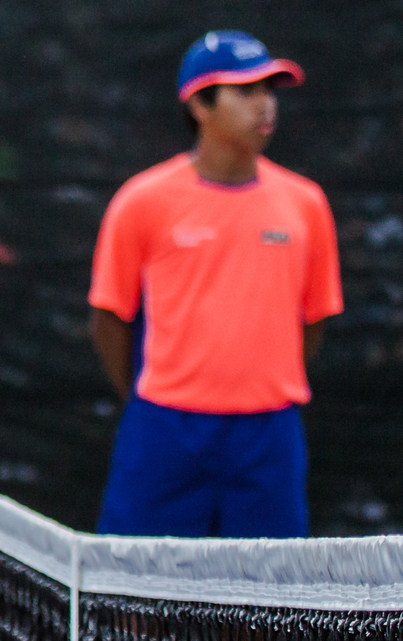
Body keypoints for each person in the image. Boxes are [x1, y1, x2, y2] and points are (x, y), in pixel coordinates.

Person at [87, 30, 342, 538]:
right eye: (245, 92)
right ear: (199, 105)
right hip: (164, 430)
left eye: (270, 90)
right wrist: (154, 398)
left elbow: (314, 321)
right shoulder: (140, 202)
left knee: (268, 606)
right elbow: (109, 319)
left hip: (270, 435)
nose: (265, 105)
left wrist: (256, 385)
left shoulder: (306, 204)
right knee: (137, 602)